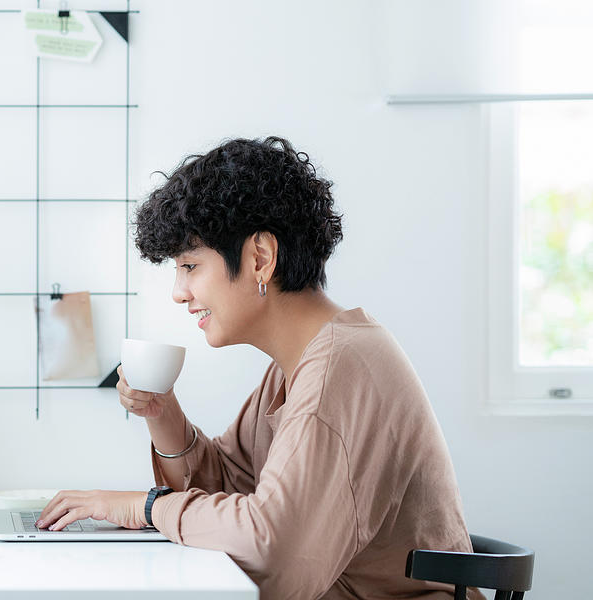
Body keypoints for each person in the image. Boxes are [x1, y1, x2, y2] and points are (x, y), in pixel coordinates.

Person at [37, 136, 481, 600]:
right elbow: (227, 488)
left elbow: (271, 550)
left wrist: (147, 508)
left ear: (260, 258)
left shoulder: (339, 369)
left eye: (190, 265)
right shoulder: (301, 364)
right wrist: (162, 415)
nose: (178, 292)